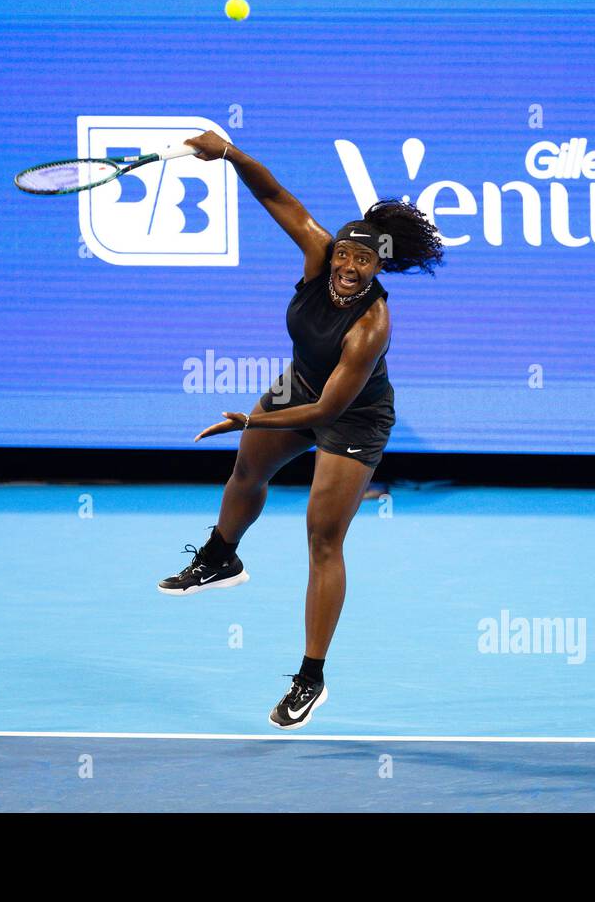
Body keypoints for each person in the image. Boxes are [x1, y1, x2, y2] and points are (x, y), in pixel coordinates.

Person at [158, 131, 444, 729]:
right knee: (248, 467)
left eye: (362, 260)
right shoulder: (319, 256)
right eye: (343, 254)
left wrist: (251, 418)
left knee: (322, 540)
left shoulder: (372, 327)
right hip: (302, 387)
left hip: (353, 417)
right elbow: (276, 195)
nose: (347, 265)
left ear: (377, 268)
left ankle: (310, 677)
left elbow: (323, 416)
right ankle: (221, 557)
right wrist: (230, 154)